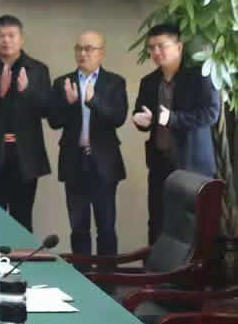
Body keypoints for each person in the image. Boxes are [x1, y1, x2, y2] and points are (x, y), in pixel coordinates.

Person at [133, 23, 219, 244]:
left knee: (192, 227)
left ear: (179, 47)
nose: (156, 52)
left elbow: (210, 114)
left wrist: (172, 119)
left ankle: (192, 268)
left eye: (161, 46)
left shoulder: (199, 77)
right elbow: (144, 115)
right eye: (151, 47)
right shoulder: (149, 82)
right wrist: (141, 121)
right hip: (160, 163)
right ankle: (155, 267)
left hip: (192, 166)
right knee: (158, 222)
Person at [48, 31, 127, 258]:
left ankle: (107, 278)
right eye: (79, 48)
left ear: (101, 53)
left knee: (106, 227)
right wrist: (69, 103)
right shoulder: (62, 82)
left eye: (89, 49)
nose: (83, 53)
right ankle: (82, 275)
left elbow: (118, 117)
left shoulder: (114, 82)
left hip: (104, 163)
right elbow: (54, 121)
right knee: (78, 228)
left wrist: (94, 101)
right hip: (74, 161)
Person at [0, 14, 51, 232]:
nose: (6, 40)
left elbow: (47, 111)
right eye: (1, 36)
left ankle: (23, 255)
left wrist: (27, 91)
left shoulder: (38, 69)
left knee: (22, 218)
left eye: (11, 35)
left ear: (21, 38)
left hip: (25, 156)